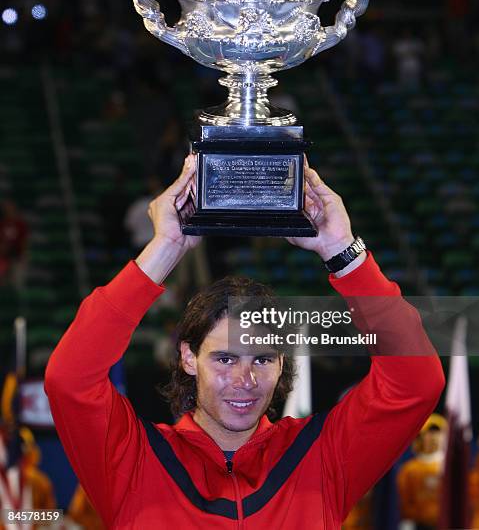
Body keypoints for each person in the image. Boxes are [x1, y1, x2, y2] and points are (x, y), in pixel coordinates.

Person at [44, 155, 445, 529]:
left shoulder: (322, 456)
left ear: (282, 364)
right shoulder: (133, 462)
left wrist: (341, 251)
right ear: (187, 357)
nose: (245, 379)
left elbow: (416, 382)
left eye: (262, 359)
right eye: (224, 359)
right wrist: (164, 249)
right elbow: (70, 379)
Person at [397, 413, 447, 530]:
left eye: (439, 432)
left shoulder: (450, 467)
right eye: (430, 432)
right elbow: (405, 504)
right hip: (420, 525)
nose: (435, 436)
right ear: (421, 437)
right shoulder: (409, 469)